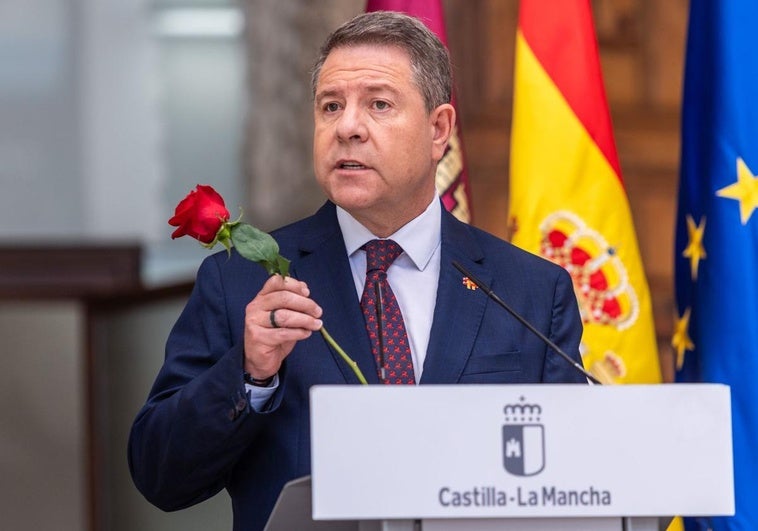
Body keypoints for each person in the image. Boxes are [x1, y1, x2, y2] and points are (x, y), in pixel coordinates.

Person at [128, 10, 587, 531]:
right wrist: (250, 371)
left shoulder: (530, 291)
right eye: (331, 106)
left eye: (379, 104)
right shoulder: (240, 285)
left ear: (439, 130)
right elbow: (158, 474)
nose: (347, 127)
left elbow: (572, 474)